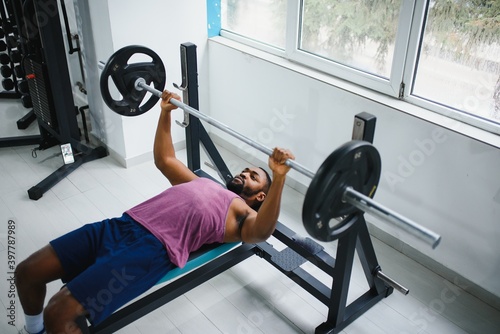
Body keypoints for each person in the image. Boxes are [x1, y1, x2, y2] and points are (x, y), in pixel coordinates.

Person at [15, 90, 295, 334]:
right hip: (118, 226)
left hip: (150, 250)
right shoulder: (202, 183)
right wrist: (165, 112)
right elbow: (165, 160)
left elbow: (261, 232)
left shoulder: (243, 215)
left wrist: (279, 177)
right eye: (245, 170)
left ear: (261, 196)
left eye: (254, 176)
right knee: (27, 272)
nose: (244, 173)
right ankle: (34, 331)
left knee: (59, 312)